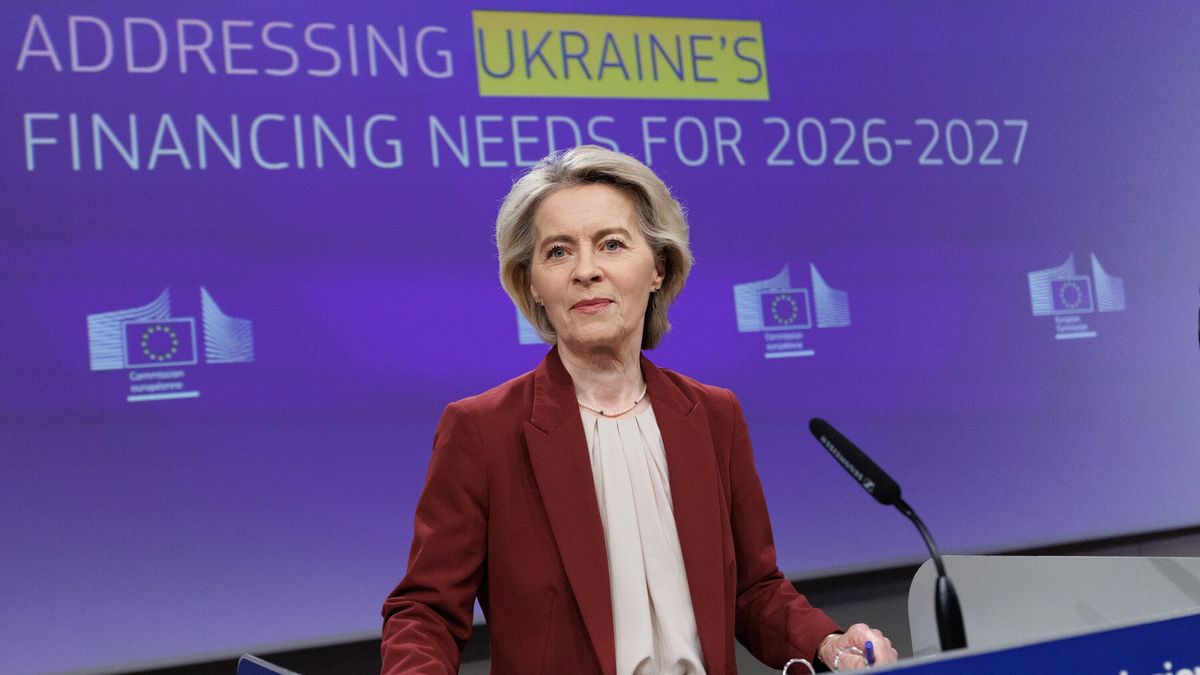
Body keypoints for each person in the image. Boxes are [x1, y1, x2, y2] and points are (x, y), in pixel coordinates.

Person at [381, 146, 898, 674]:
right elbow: (425, 613)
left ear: (658, 267)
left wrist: (828, 644)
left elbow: (753, 590)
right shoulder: (483, 430)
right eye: (558, 252)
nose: (586, 271)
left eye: (611, 244)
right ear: (532, 284)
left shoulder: (714, 415)